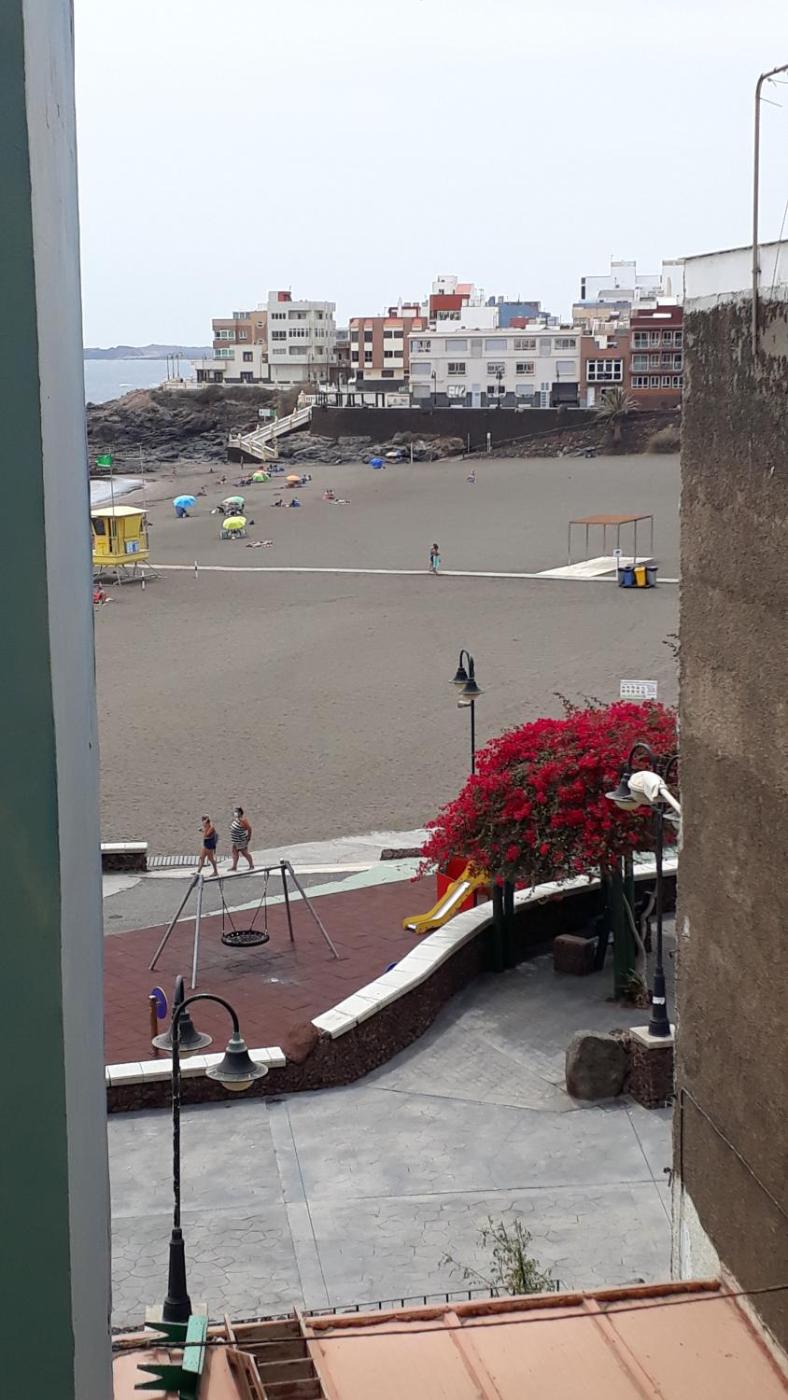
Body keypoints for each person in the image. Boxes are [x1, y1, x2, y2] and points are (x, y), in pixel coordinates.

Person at [229, 806, 254, 871]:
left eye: (236, 811)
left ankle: (251, 865)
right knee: (234, 853)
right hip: (235, 841)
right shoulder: (236, 819)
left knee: (245, 853)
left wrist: (249, 837)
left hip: (241, 841)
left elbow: (249, 828)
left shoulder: (243, 820)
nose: (235, 813)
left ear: (240, 812)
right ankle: (234, 866)